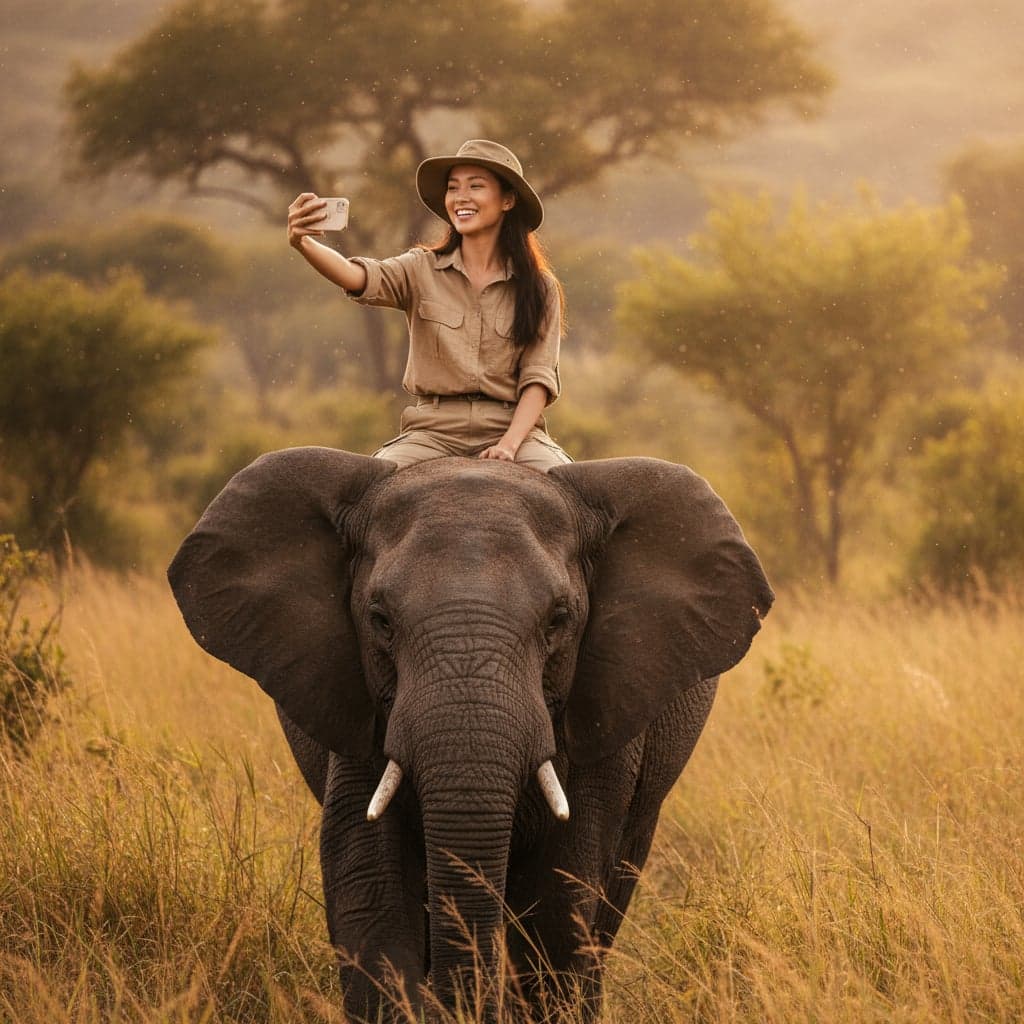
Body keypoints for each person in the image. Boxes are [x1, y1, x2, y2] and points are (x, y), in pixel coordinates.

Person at [286, 139, 572, 471]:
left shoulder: (540, 287)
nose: (460, 197)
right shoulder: (420, 268)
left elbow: (538, 380)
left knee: (570, 489)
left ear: (507, 200)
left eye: (475, 186)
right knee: (367, 490)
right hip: (431, 433)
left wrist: (508, 446)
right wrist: (302, 243)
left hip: (514, 431)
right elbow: (356, 276)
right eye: (453, 188)